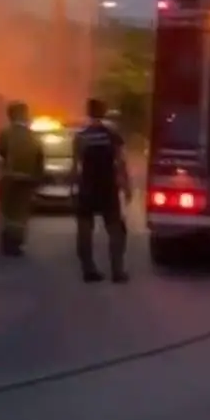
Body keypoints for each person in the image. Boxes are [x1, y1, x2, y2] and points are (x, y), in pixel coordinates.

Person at [72, 97, 130, 283]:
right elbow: (120, 162)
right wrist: (126, 186)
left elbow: (76, 164)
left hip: (87, 186)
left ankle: (88, 269)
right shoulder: (111, 134)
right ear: (104, 111)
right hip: (107, 185)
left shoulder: (81, 135)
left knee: (84, 228)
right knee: (115, 229)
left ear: (88, 111)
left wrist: (73, 187)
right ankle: (117, 271)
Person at [0, 101, 44, 257]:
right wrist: (37, 179)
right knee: (21, 213)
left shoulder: (5, 134)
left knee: (8, 212)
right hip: (27, 181)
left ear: (10, 116)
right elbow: (40, 159)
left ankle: (7, 242)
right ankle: (16, 243)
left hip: (9, 180)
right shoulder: (33, 136)